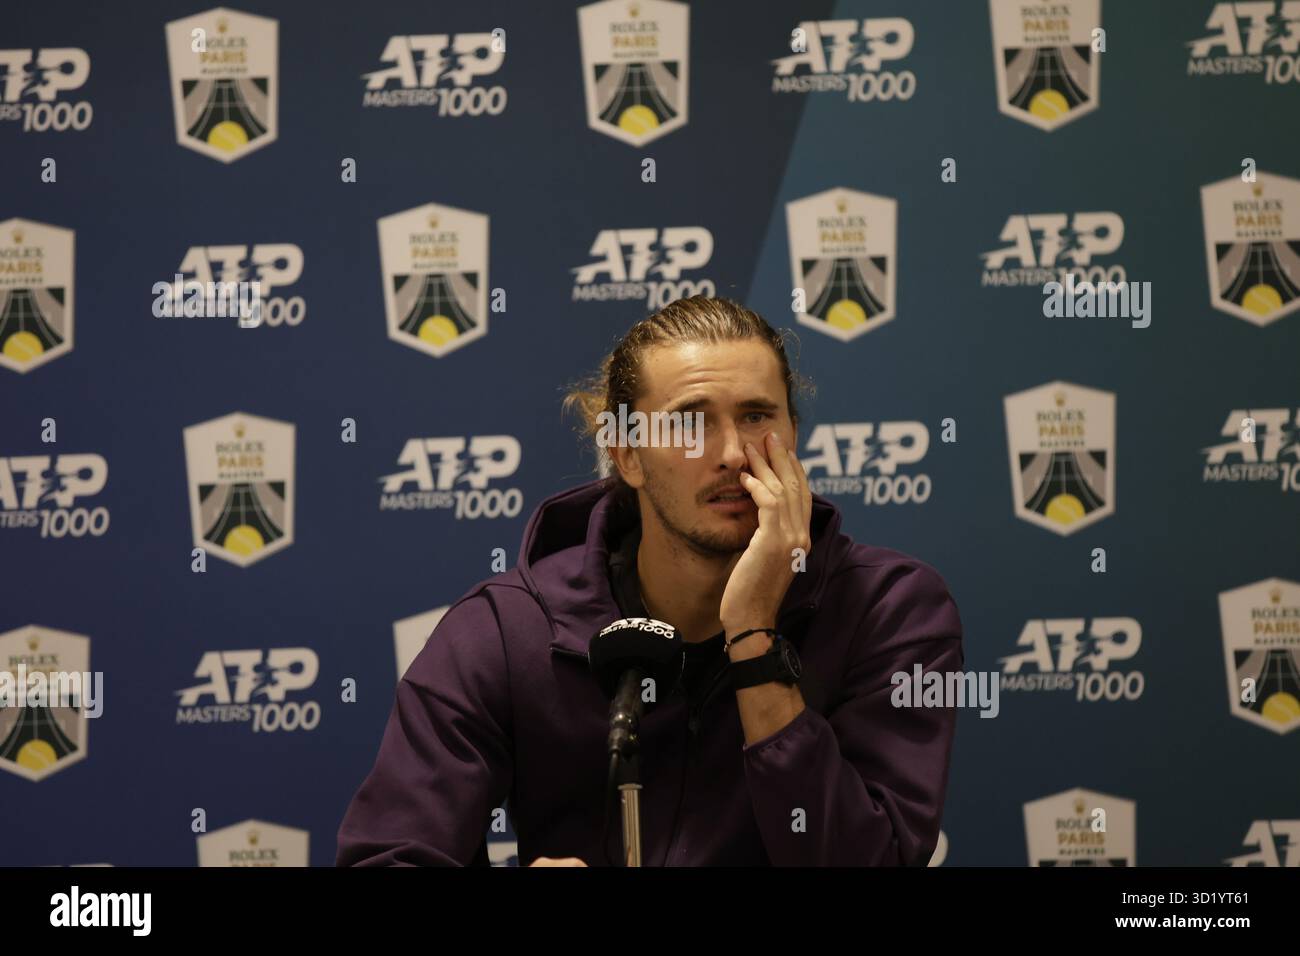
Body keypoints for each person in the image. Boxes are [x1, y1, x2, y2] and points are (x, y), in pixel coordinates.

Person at [336, 295, 963, 867]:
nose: (731, 453)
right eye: (690, 422)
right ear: (627, 455)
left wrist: (754, 640)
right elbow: (388, 856)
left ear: (792, 434)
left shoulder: (892, 612)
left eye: (755, 416)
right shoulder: (508, 631)